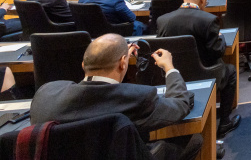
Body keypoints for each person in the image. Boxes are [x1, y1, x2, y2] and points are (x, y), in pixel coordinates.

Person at [30, 34, 201, 159]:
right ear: (122, 63)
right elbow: (179, 104)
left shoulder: (46, 94)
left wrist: (119, 57)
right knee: (194, 140)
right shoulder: (137, 98)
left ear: (83, 65)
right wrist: (170, 68)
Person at [157, 0, 240, 137]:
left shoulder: (163, 20)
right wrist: (221, 39)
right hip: (205, 75)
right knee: (230, 71)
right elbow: (216, 52)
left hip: (173, 76)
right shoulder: (209, 20)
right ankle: (225, 122)